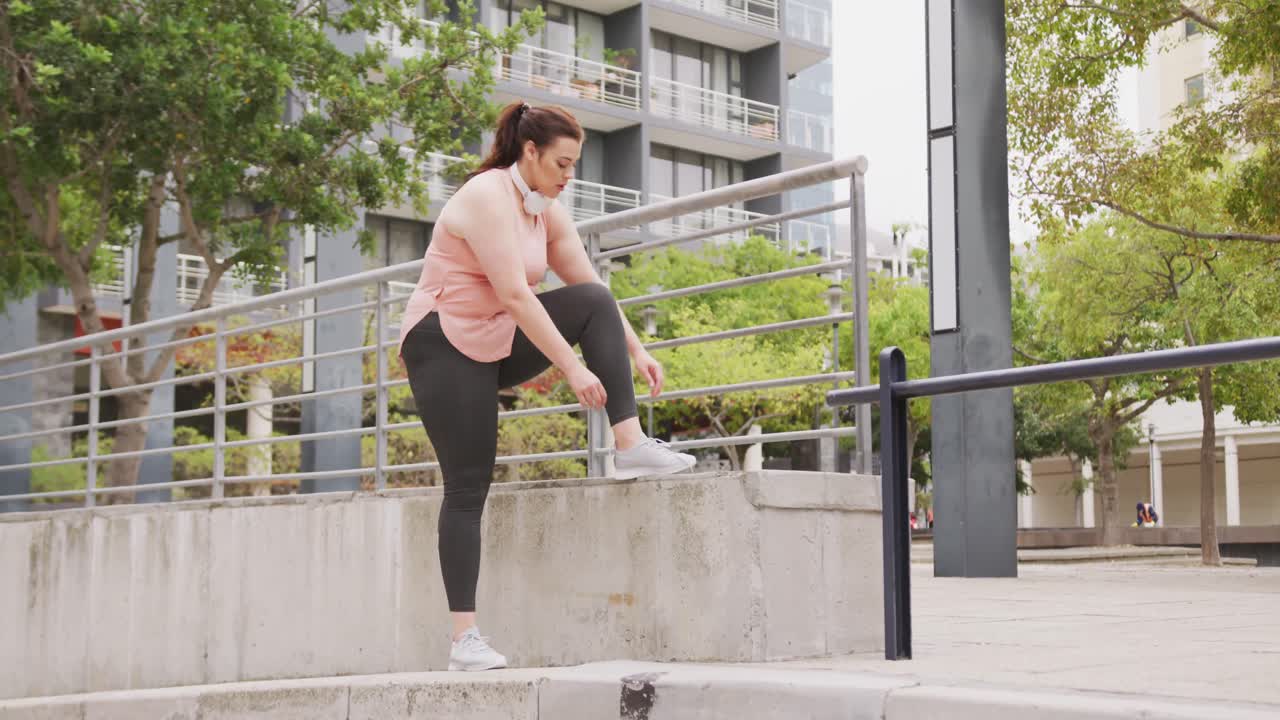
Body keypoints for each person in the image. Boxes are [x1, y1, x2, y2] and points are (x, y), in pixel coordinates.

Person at [397, 101, 698, 672]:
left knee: (593, 301)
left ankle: (630, 445)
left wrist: (636, 350)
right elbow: (514, 293)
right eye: (561, 163)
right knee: (467, 485)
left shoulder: (546, 210)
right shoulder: (487, 196)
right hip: (442, 343)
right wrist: (574, 369)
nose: (568, 175)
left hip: (496, 336)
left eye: (574, 166)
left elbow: (588, 287)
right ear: (529, 152)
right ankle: (465, 639)